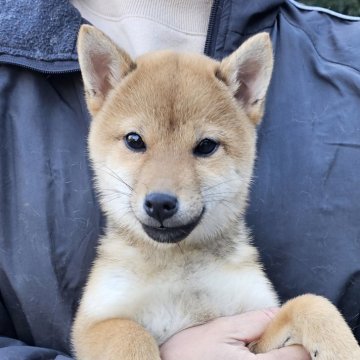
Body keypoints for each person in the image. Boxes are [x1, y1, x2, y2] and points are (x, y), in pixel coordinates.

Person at [0, 0, 359, 359]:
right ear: (101, 82)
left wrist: (310, 318)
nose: (162, 190)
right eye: (135, 142)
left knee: (310, 312)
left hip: (226, 251)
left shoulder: (347, 63)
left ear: (246, 92)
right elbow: (94, 333)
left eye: (204, 147)